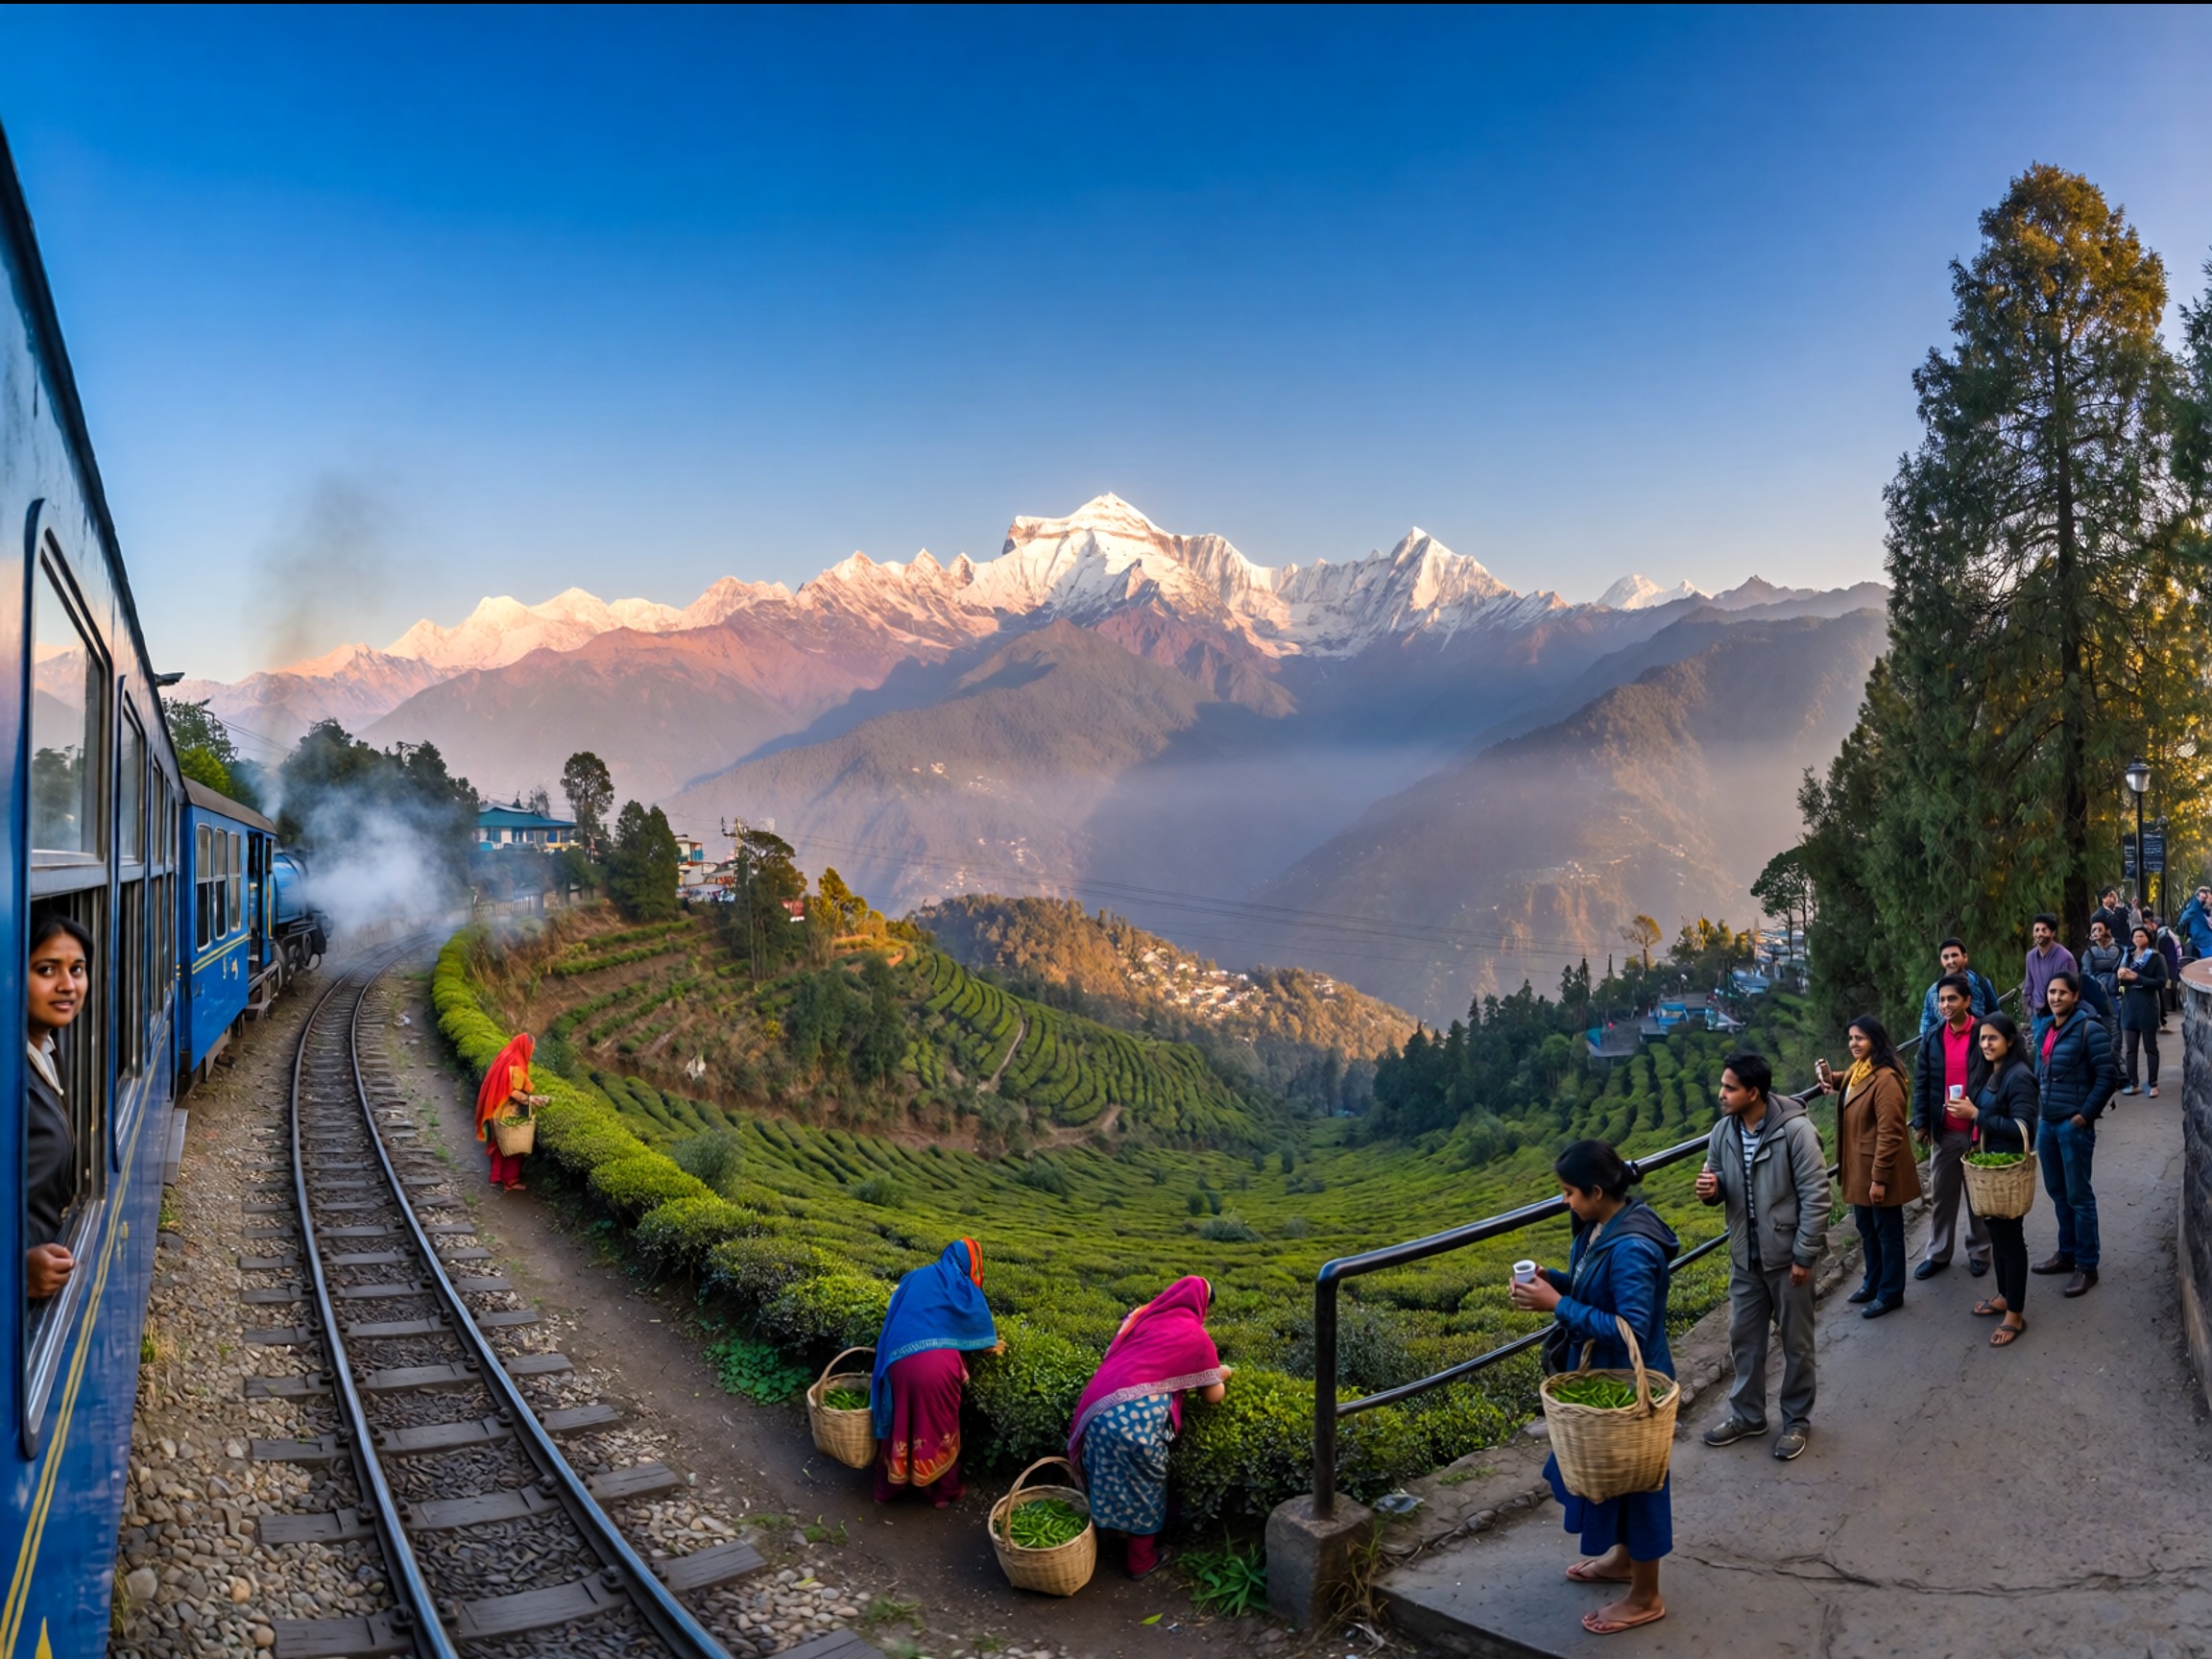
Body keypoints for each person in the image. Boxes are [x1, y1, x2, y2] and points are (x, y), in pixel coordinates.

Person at [1511, 1141, 1678, 1637]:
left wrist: (1557, 1306)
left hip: (1632, 1385)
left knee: (1641, 1485)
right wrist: (1555, 1283)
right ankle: (1625, 1562)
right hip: (1606, 1376)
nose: (1565, 1201)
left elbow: (1632, 1329)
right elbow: (1595, 1290)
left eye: (1569, 1192)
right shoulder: (1601, 1227)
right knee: (1616, 1480)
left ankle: (1646, 1596)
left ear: (1597, 1191)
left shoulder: (1632, 1248)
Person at [1694, 1052, 1826, 1460]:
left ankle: (1796, 1420)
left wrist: (1804, 1255)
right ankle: (1748, 1416)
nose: (1721, 1093)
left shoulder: (1796, 1133)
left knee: (1796, 1344)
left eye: (1730, 1088)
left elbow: (1817, 1196)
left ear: (1753, 1093)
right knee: (1745, 1340)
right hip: (1745, 1256)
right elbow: (1718, 1178)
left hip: (1788, 1257)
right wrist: (1712, 1190)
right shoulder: (1723, 1132)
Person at [1068, 1276, 1230, 1578]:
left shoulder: (1142, 1319)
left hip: (1098, 1409)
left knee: (1106, 1474)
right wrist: (1222, 1373)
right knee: (1145, 1487)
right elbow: (1213, 1396)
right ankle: (1140, 1561)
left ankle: (1107, 1539)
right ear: (1202, 1306)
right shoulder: (1197, 1337)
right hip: (1138, 1423)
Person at [869, 1238, 1001, 1506]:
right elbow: (981, 1336)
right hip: (937, 1367)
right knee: (940, 1427)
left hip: (898, 1359)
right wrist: (991, 1346)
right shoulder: (964, 1287)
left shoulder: (914, 1277)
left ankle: (888, 1488)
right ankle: (944, 1492)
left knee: (898, 1422)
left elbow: (895, 1312)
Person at [1950, 1014, 2040, 1347]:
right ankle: (2004, 1296)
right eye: (1982, 1038)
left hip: (2008, 1171)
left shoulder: (2019, 1077)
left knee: (2011, 1241)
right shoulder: (1994, 1073)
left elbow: (2023, 1128)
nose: (1986, 1044)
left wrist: (1976, 1115)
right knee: (1998, 1237)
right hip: (1990, 1171)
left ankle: (2015, 1314)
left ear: (2010, 1041)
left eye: (1993, 1038)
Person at [1823, 1016, 1919, 1318]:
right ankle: (1873, 1282)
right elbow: (1849, 1083)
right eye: (1851, 1038)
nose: (1854, 1044)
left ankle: (1890, 1292)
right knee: (1867, 1229)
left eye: (1860, 1038)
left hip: (1878, 1170)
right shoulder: (1861, 1069)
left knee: (1887, 1233)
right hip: (1859, 1169)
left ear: (1874, 1041)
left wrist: (1879, 1179)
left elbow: (1890, 1133)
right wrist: (1829, 1077)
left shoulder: (1887, 1079)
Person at [2032, 972, 2117, 1297]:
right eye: (2051, 992)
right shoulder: (2047, 1029)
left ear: (2075, 996)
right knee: (2057, 1191)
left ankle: (2086, 1265)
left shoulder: (2089, 1030)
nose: (2055, 998)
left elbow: (2107, 1076)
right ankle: (2066, 1253)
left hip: (2073, 1126)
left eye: (2062, 993)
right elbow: (2040, 1073)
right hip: (2048, 1123)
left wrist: (2084, 1116)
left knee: (2079, 1196)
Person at [25, 912, 89, 1303]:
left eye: (77, 969)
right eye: (47, 970)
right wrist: (15, 1270)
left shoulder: (45, 1048)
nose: (68, 985)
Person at [1910, 974, 1990, 1281]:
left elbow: (1997, 1077)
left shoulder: (1984, 1032)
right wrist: (1921, 1121)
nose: (1945, 1005)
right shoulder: (1932, 1036)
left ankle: (1979, 1251)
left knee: (1978, 1196)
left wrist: (1985, 1120)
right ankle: (1938, 1252)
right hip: (1944, 1130)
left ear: (1967, 1001)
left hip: (1978, 1130)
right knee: (1942, 1195)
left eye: (1952, 998)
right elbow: (1922, 1081)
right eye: (1941, 1000)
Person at [474, 1032, 549, 1190]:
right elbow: (512, 1090)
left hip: (496, 1107)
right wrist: (530, 1099)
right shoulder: (517, 1063)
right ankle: (510, 1181)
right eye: (531, 1048)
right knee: (514, 1146)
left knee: (499, 1142)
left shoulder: (506, 1055)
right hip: (507, 1109)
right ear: (526, 1047)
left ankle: (495, 1176)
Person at [2116, 925, 2167, 1097]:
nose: (2137, 940)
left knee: (2150, 1047)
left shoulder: (2156, 958)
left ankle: (2153, 1084)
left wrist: (2138, 977)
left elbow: (2161, 982)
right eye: (2135, 937)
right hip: (2130, 1005)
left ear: (2148, 938)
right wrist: (2120, 976)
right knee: (2130, 1049)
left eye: (2141, 936)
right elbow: (2119, 982)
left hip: (2147, 1005)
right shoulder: (2127, 957)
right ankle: (2133, 1083)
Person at [1916, 939, 1999, 1039]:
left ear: (1965, 957)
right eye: (1946, 957)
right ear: (1941, 961)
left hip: (1979, 1042)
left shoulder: (1981, 983)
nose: (1950, 961)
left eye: (1954, 955)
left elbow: (1996, 1016)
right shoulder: (1933, 992)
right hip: (1948, 1045)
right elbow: (1926, 1026)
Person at [2080, 920, 2124, 1053]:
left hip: (2115, 995)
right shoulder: (2088, 952)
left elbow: (2117, 963)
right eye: (2093, 930)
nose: (2096, 932)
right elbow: (2087, 973)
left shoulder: (2117, 950)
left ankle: (2116, 1057)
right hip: (2098, 996)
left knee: (2116, 1029)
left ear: (2107, 931)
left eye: (2099, 929)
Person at [2023, 915, 2078, 1020]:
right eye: (2036, 930)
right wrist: (2030, 1010)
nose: (2039, 934)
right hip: (2036, 1013)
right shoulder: (2030, 956)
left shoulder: (2065, 958)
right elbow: (2028, 987)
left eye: (2044, 930)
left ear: (2053, 933)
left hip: (2057, 1012)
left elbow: (2069, 991)